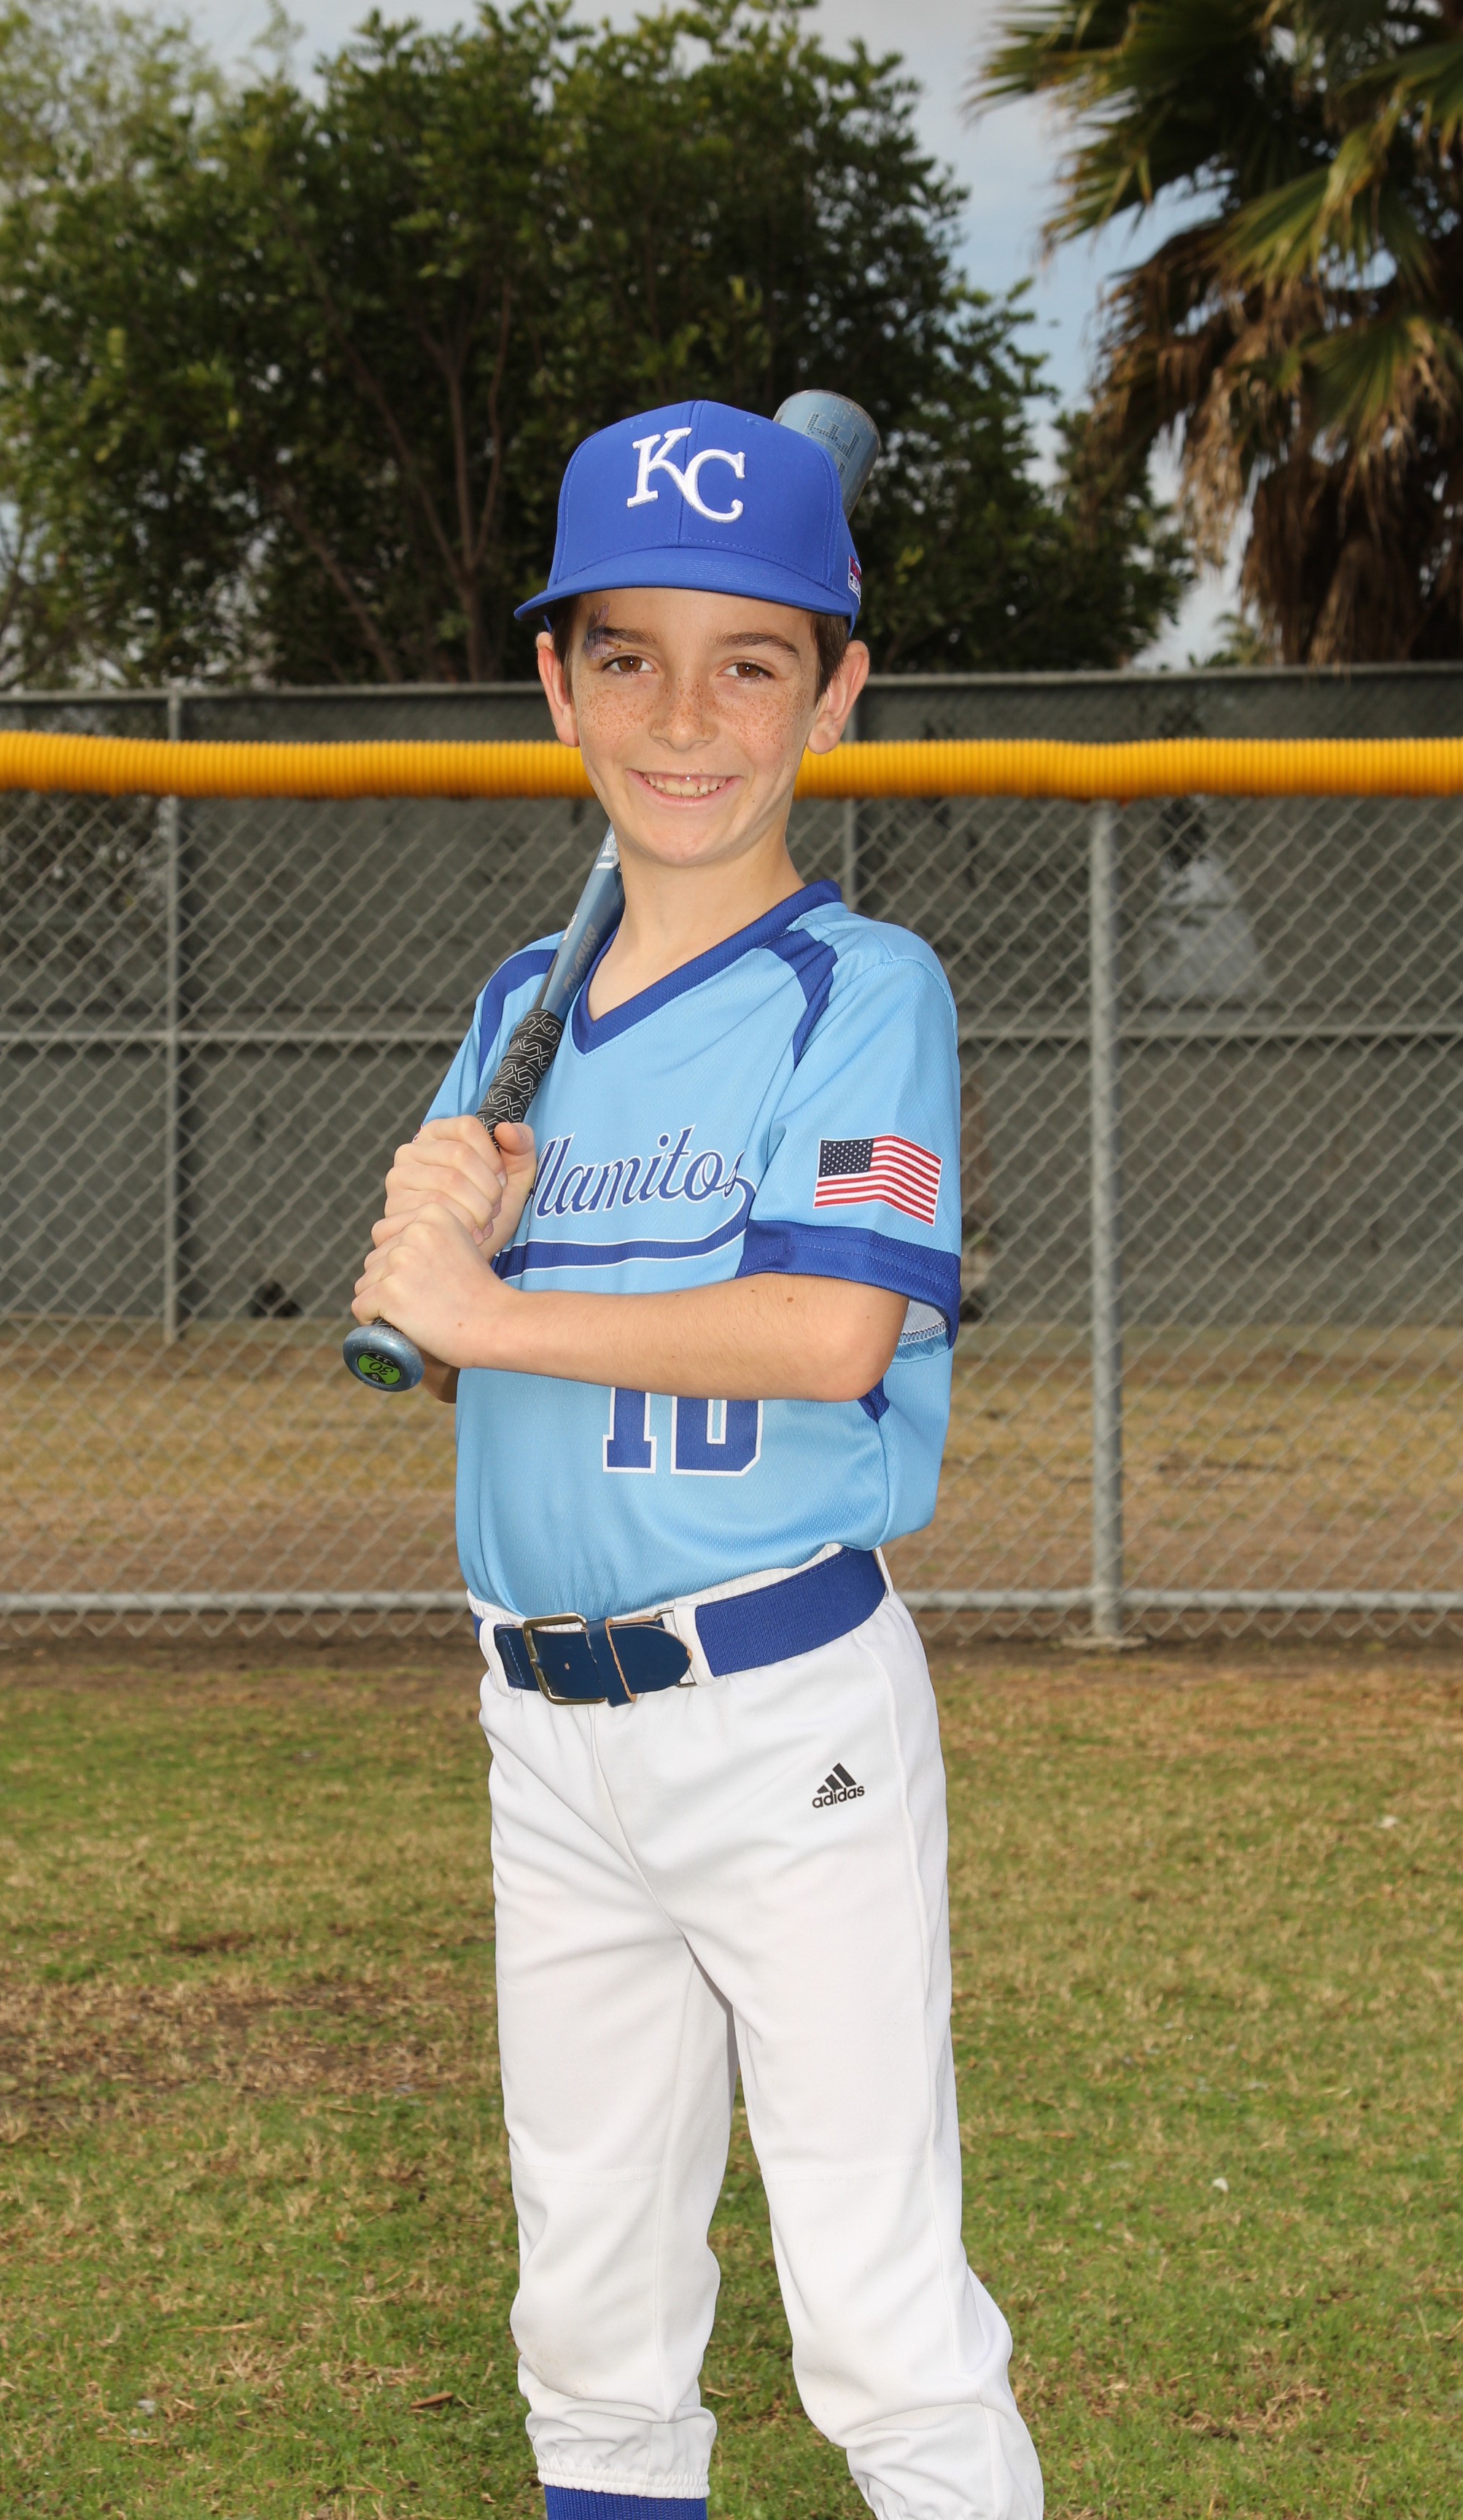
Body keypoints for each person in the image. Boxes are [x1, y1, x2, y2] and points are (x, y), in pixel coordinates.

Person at [352, 400, 1043, 2520]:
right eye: (628, 657)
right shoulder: (523, 1007)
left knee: (877, 2308)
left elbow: (832, 1335)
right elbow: (494, 1381)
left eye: (751, 663)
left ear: (835, 693)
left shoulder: (866, 990)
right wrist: (447, 1258)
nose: (683, 717)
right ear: (557, 686)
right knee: (588, 2305)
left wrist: (482, 1312)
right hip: (544, 1725)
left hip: (778, 1717)